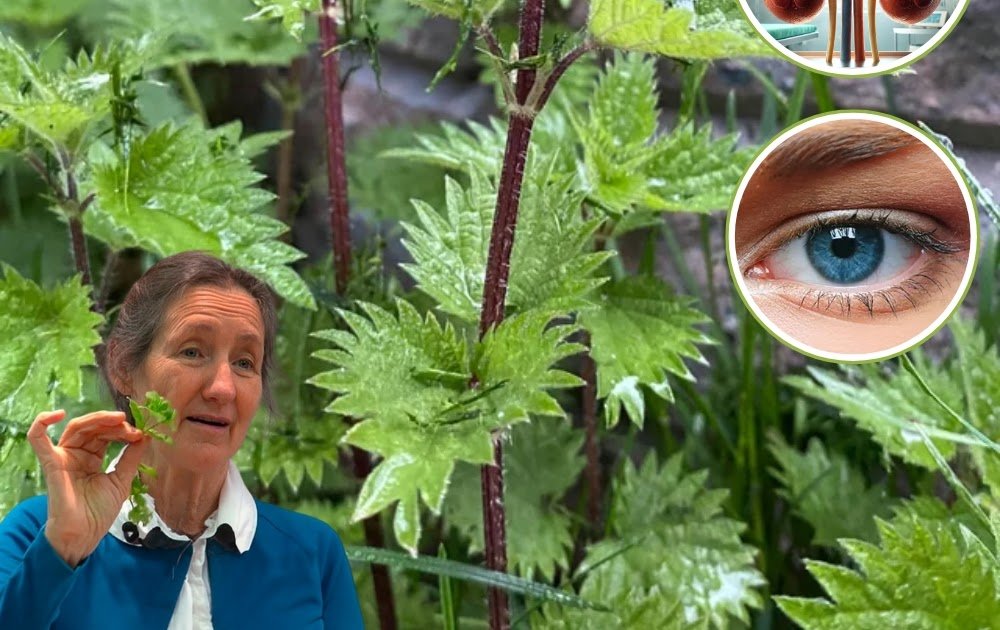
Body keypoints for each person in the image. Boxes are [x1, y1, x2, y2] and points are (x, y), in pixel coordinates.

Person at [0, 251, 364, 629]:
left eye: (244, 362)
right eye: (192, 352)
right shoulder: (39, 534)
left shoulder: (312, 554)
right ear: (123, 367)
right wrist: (61, 552)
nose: (223, 388)